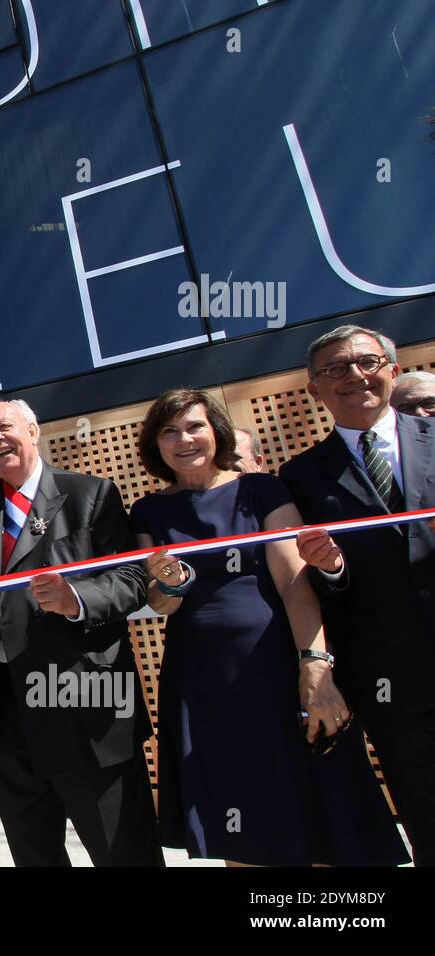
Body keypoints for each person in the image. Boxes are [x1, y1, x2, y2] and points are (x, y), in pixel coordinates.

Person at [131, 388, 408, 866]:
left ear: (214, 430)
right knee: (236, 808)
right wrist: (170, 584)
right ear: (155, 445)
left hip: (278, 665)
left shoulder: (263, 490)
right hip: (202, 680)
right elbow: (160, 604)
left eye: (194, 426)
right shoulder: (147, 510)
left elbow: (295, 581)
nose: (184, 440)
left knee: (316, 796)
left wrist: (315, 665)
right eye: (169, 432)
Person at [0, 400, 162, 867]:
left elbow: (131, 582)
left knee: (123, 852)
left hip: (83, 704)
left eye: (4, 428)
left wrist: (75, 600)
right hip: (6, 715)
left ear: (33, 430)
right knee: (35, 854)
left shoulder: (90, 494)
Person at [280, 324, 435, 865]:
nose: (355, 376)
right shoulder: (298, 476)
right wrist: (334, 567)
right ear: (313, 388)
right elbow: (319, 583)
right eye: (336, 369)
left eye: (367, 362)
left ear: (393, 369)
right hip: (393, 679)